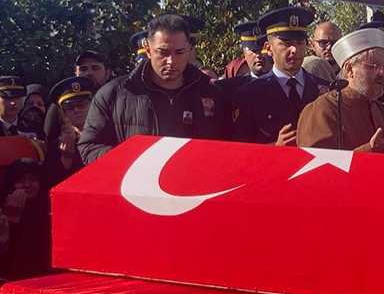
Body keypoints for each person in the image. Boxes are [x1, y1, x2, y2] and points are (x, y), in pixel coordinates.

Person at [77, 15, 230, 164]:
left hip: (193, 186)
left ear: (189, 50)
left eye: (179, 52)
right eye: (163, 53)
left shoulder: (212, 94)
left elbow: (229, 148)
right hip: (134, 187)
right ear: (149, 51)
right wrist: (133, 160)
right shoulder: (113, 94)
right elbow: (89, 147)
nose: (171, 61)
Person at [297, 29, 384, 152]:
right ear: (350, 69)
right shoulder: (322, 111)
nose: (382, 73)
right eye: (373, 66)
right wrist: (369, 152)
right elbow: (314, 166)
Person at [233, 7, 330, 147]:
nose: (294, 50)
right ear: (269, 48)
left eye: (299, 43)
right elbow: (240, 151)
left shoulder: (325, 91)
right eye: (286, 43)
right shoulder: (249, 95)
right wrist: (275, 148)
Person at [0, 158, 50, 281]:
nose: (27, 185)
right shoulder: (2, 208)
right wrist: (12, 219)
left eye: (32, 180)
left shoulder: (46, 207)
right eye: (21, 180)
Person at [43, 77, 95, 185]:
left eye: (82, 105)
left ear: (92, 105)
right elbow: (53, 184)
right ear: (63, 113)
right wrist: (66, 158)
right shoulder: (56, 147)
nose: (76, 110)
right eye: (70, 107)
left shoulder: (107, 136)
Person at [218, 21, 273, 100]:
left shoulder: (283, 82)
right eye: (253, 51)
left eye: (262, 50)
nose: (258, 55)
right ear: (244, 53)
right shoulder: (232, 88)